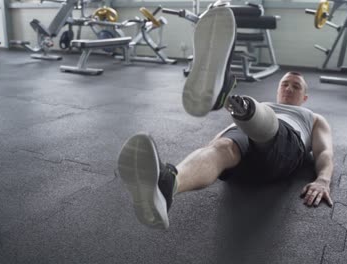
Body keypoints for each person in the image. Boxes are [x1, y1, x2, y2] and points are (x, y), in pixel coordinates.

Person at [116, 7, 334, 230]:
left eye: (296, 86)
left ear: (304, 97)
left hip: (283, 149)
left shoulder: (312, 117)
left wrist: (323, 180)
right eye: (284, 84)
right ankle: (165, 188)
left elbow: (324, 152)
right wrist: (211, 148)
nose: (288, 88)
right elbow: (223, 138)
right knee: (223, 147)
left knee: (266, 123)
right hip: (243, 164)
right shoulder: (267, 105)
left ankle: (226, 92)